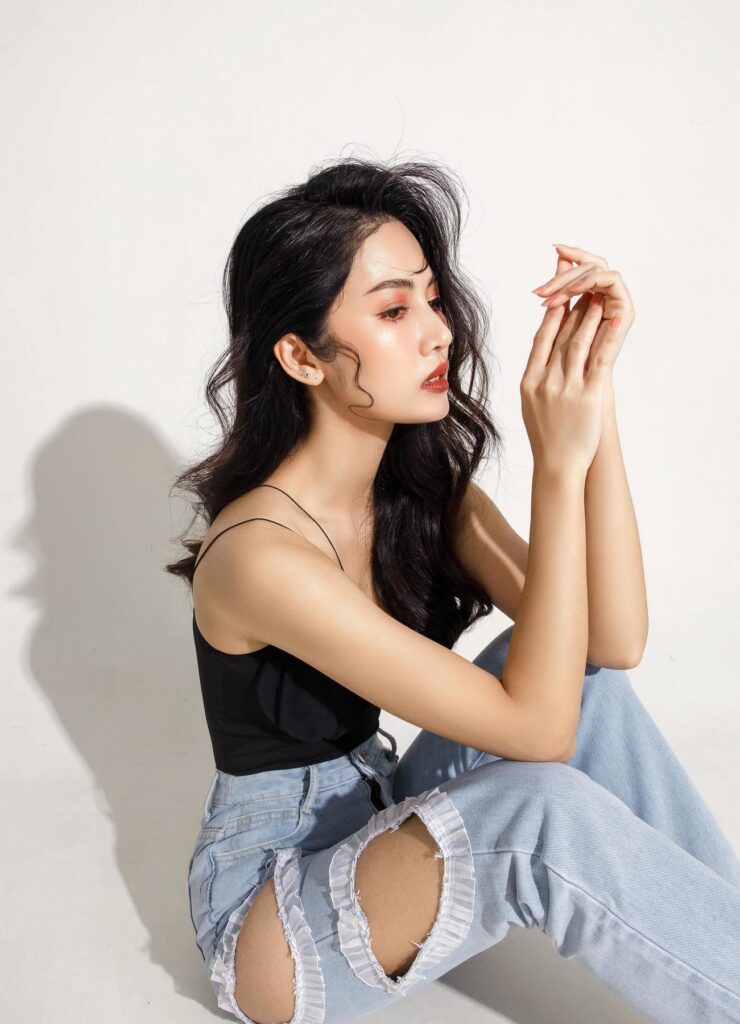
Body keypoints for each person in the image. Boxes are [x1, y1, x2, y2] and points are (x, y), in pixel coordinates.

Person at [166, 156, 740, 1024]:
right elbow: (538, 736)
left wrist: (591, 403)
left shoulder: (422, 496)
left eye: (432, 299)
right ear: (301, 356)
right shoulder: (260, 557)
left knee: (583, 684)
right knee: (542, 808)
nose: (439, 332)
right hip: (274, 924)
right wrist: (555, 469)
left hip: (376, 825)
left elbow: (612, 642)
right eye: (394, 310)